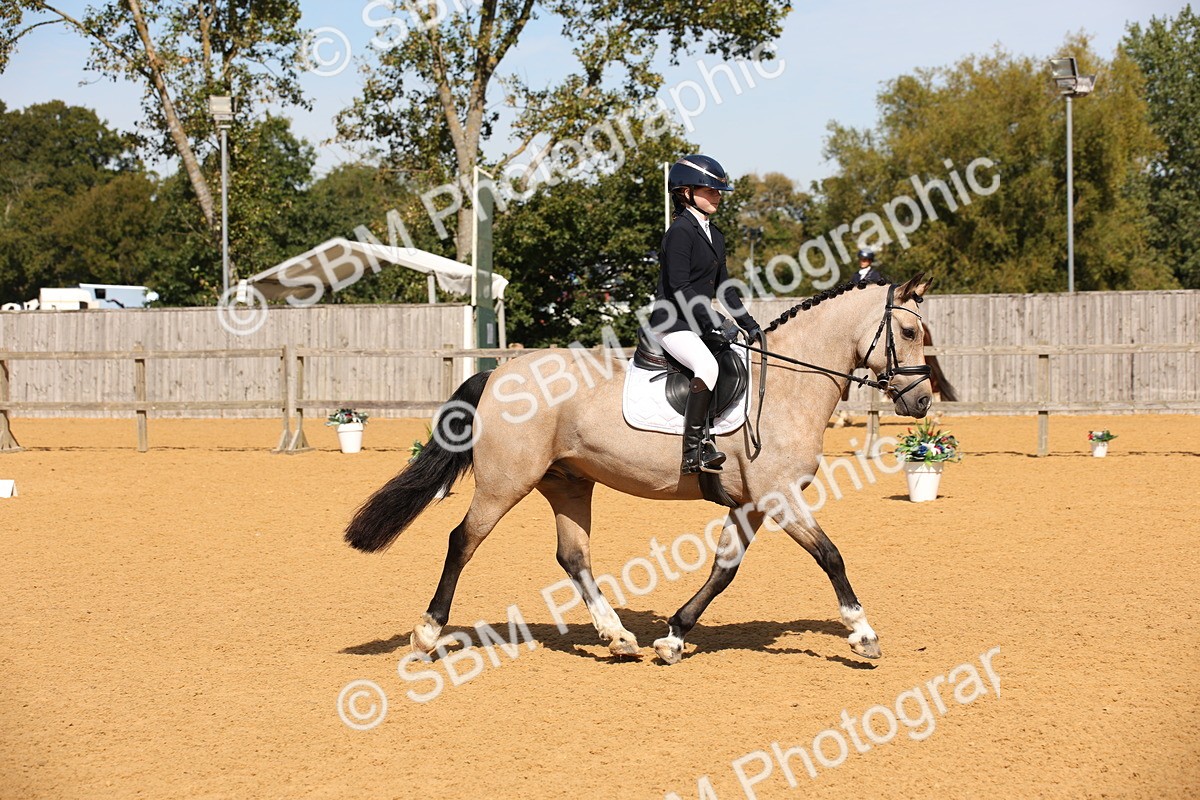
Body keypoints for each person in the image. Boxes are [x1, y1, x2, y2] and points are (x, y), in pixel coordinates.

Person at [649, 155, 762, 475]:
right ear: (685, 192)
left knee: (738, 359)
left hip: (696, 321)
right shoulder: (679, 233)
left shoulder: (716, 235)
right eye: (710, 190)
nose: (717, 195)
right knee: (707, 365)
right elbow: (681, 288)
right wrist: (714, 321)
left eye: (718, 191)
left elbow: (725, 288)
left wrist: (748, 324)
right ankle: (693, 450)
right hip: (672, 322)